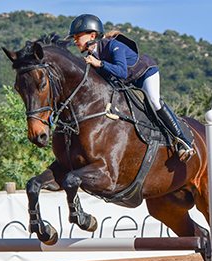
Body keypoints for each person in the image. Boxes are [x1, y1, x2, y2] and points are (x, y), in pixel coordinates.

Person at [65, 14, 195, 162]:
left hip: (145, 73)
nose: (75, 41)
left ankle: (183, 141)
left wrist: (99, 64)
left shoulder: (112, 45)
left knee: (154, 100)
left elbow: (122, 71)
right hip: (127, 82)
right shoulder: (93, 56)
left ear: (92, 35)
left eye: (77, 36)